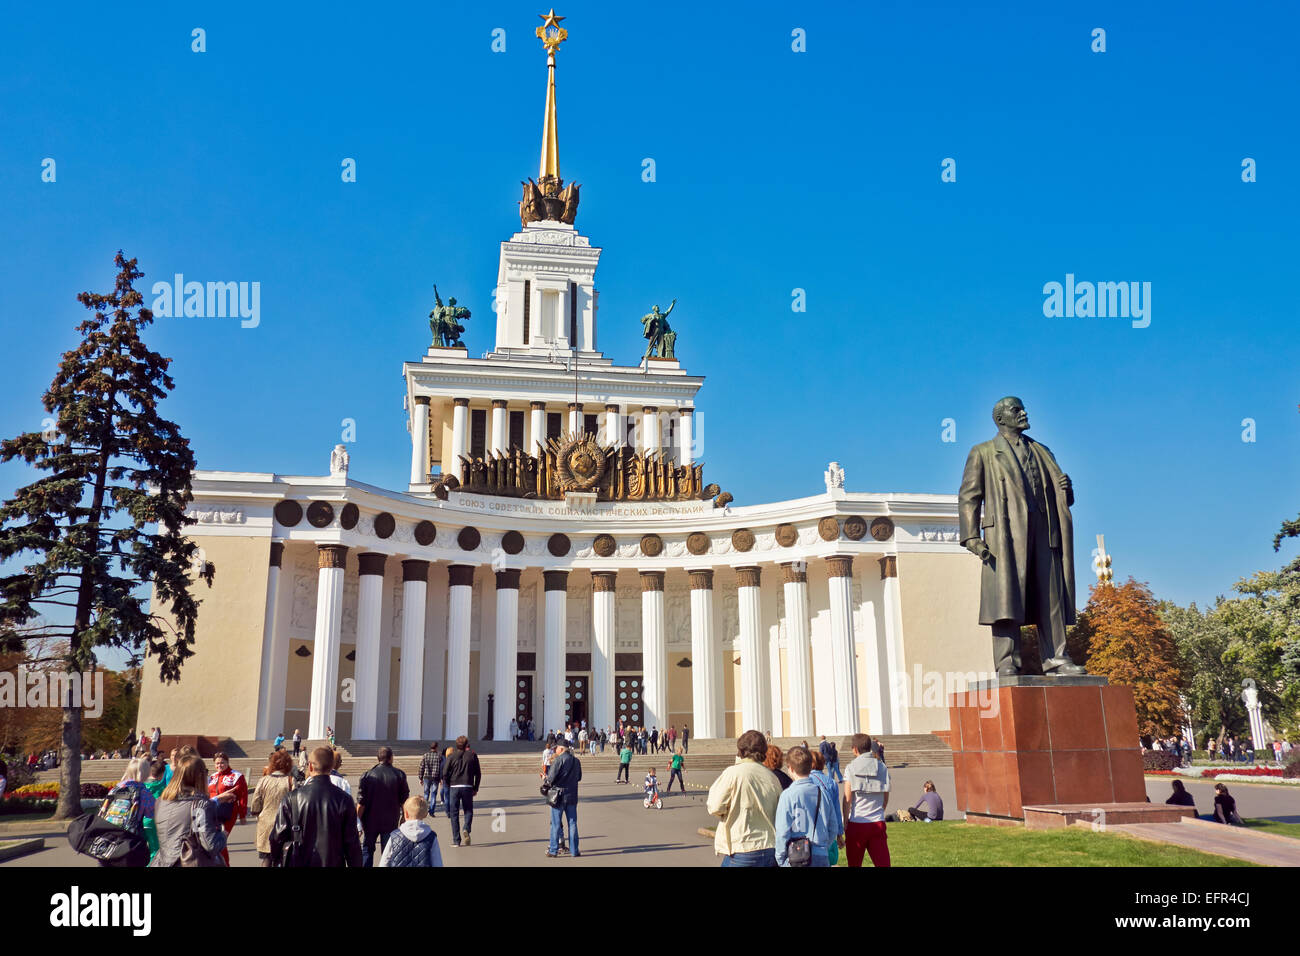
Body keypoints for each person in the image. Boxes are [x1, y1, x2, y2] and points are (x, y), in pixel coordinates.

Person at [270, 746, 362, 867]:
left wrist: (277, 860)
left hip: (299, 860)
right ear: (331, 767)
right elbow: (352, 843)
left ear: (311, 766)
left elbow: (277, 836)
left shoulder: (292, 798)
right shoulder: (345, 800)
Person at [706, 730, 783, 867]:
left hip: (743, 847)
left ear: (740, 749)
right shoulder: (772, 777)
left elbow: (714, 806)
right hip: (770, 848)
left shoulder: (733, 773)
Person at [150, 755, 226, 867]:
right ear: (199, 776)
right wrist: (222, 835)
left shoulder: (160, 802)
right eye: (205, 772)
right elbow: (209, 844)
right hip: (186, 861)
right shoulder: (198, 806)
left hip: (163, 861)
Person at [774, 745, 837, 867]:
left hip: (796, 856)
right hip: (821, 855)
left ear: (790, 768)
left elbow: (782, 831)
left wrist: (780, 858)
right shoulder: (822, 792)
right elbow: (833, 827)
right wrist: (823, 847)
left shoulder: (787, 795)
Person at [842, 733, 890, 867]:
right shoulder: (882, 767)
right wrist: (879, 812)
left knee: (854, 864)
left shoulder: (850, 768)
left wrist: (845, 820)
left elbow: (847, 798)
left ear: (855, 749)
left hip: (857, 822)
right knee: (883, 863)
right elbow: (885, 799)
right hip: (877, 822)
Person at [357, 746, 410, 867]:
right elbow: (404, 800)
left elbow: (361, 802)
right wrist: (404, 817)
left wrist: (357, 819)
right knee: (388, 852)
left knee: (367, 849)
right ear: (391, 758)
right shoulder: (399, 775)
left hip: (370, 820)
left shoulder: (367, 775)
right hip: (390, 819)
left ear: (378, 758)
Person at [250, 750, 295, 867]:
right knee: (283, 857)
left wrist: (257, 813)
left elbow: (255, 803)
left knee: (267, 857)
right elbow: (295, 803)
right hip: (284, 823)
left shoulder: (263, 780)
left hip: (266, 823)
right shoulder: (290, 781)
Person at [378, 796, 443, 867]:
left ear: (406, 814)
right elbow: (437, 862)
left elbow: (385, 861)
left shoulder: (395, 836)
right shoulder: (431, 837)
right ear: (425, 814)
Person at [207, 752, 248, 865]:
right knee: (213, 841)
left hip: (228, 813)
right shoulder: (212, 777)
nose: (220, 765)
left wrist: (242, 814)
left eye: (222, 763)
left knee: (221, 840)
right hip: (212, 813)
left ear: (227, 762)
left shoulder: (236, 776)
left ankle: (225, 864)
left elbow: (243, 796)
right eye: (217, 763)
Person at [544, 739, 582, 857]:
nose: (555, 750)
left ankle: (553, 850)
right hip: (572, 795)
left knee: (555, 824)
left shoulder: (558, 760)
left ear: (561, 749)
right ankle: (574, 850)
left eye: (556, 748)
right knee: (572, 823)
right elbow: (579, 777)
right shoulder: (576, 761)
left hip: (558, 797)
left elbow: (550, 779)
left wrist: (545, 779)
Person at [442, 735, 481, 847]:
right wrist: (475, 787)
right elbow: (478, 774)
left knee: (454, 814)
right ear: (466, 744)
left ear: (456, 744)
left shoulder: (451, 756)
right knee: (468, 810)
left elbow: (445, 773)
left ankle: (456, 841)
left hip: (454, 787)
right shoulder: (472, 755)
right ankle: (466, 828)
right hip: (467, 786)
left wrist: (448, 783)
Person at [141, 757, 168, 860]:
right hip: (154, 822)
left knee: (143, 850)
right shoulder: (162, 788)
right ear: (162, 774)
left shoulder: (142, 786)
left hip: (141, 821)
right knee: (155, 850)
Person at [418, 741, 443, 807]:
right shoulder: (439, 756)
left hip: (427, 777)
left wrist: (420, 778)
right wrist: (441, 778)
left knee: (426, 793)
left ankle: (425, 808)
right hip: (435, 777)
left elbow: (421, 767)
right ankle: (432, 810)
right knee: (433, 794)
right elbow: (441, 768)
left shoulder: (425, 755)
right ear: (436, 747)